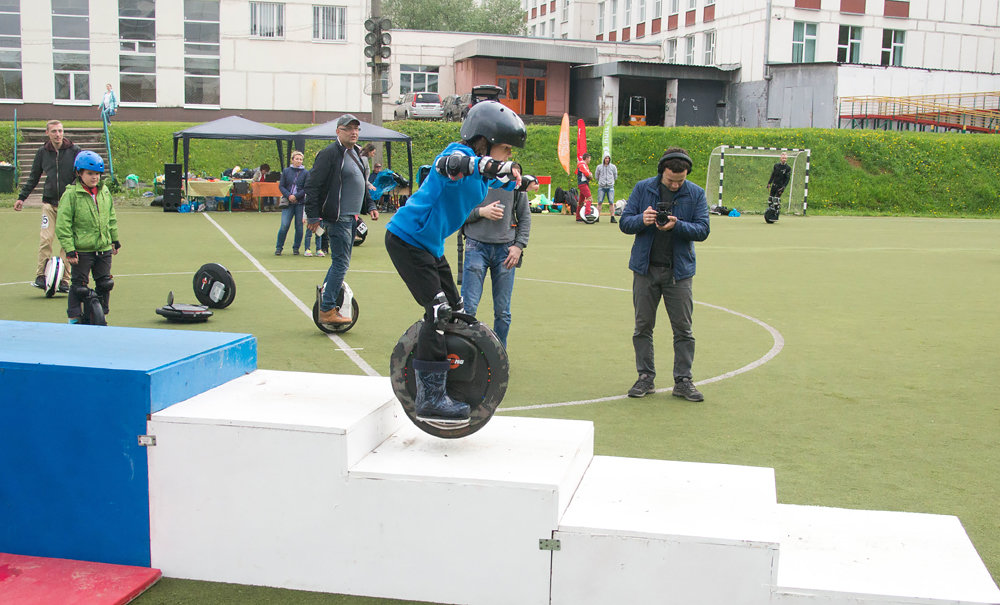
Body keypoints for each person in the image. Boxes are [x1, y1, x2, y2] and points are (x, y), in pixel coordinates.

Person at [385, 100, 536, 425]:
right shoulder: (456, 158)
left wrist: (517, 177)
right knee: (437, 311)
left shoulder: (481, 176)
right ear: (485, 140)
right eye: (506, 148)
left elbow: (500, 179)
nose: (508, 155)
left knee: (457, 312)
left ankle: (450, 377)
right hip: (407, 239)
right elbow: (450, 165)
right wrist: (487, 166)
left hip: (430, 246)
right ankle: (430, 398)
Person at [619, 147, 710, 402]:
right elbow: (625, 223)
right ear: (662, 173)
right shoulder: (642, 188)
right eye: (671, 180)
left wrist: (677, 224)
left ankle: (683, 380)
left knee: (683, 329)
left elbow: (703, 229)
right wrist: (643, 219)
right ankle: (645, 377)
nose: (675, 184)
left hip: (678, 273)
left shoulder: (696, 193)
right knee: (642, 327)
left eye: (680, 181)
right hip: (645, 269)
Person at [305, 114, 379, 324]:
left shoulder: (356, 153)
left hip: (351, 217)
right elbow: (312, 185)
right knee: (341, 263)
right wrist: (312, 215)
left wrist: (370, 205)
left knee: (340, 262)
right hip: (337, 218)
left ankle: (326, 299)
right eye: (349, 129)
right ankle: (327, 309)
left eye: (356, 128)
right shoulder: (329, 154)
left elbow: (362, 183)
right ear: (339, 131)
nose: (354, 132)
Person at [460, 185, 534, 348]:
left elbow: (524, 217)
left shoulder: (515, 180)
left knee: (502, 311)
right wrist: (481, 212)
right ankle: (463, 354)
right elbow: (457, 214)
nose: (508, 157)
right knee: (468, 308)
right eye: (507, 156)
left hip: (506, 250)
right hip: (475, 247)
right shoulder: (473, 177)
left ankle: (499, 355)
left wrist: (519, 246)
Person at [14, 120, 81, 291]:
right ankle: (41, 276)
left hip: (69, 206)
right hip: (49, 204)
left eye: (60, 131)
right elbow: (34, 177)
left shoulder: (75, 151)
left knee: (67, 243)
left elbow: (80, 176)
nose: (58, 134)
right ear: (47, 133)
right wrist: (22, 198)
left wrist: (71, 192)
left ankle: (65, 280)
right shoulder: (42, 152)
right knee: (45, 239)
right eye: (54, 131)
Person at [54, 151, 120, 324]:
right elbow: (63, 224)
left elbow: (111, 217)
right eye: (90, 173)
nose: (94, 177)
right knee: (79, 286)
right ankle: (74, 319)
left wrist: (114, 239)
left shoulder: (104, 192)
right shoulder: (71, 195)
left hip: (103, 247)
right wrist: (69, 249)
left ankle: (101, 316)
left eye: (97, 174)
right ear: (79, 173)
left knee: (105, 283)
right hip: (82, 250)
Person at [275, 151, 308, 255]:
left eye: (300, 159)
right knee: (284, 225)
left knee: (299, 227)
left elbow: (306, 188)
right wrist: (289, 195)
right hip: (288, 203)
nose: (299, 161)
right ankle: (279, 247)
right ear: (292, 159)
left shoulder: (306, 173)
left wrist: (296, 196)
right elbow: (281, 186)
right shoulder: (286, 171)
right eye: (297, 159)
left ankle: (296, 248)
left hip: (300, 203)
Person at [594, 154, 618, 223]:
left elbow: (615, 175)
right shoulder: (599, 167)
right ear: (603, 159)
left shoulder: (613, 167)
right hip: (602, 186)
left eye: (608, 158)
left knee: (611, 202)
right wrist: (601, 181)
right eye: (606, 158)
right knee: (600, 202)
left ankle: (612, 217)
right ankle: (597, 216)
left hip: (610, 186)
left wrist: (611, 181)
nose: (607, 159)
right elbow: (597, 175)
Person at [576, 152, 594, 220]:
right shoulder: (582, 164)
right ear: (586, 158)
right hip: (583, 184)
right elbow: (587, 173)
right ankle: (587, 213)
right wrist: (590, 176)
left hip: (582, 184)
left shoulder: (582, 164)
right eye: (589, 158)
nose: (590, 160)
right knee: (589, 198)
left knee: (581, 201)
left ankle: (578, 217)